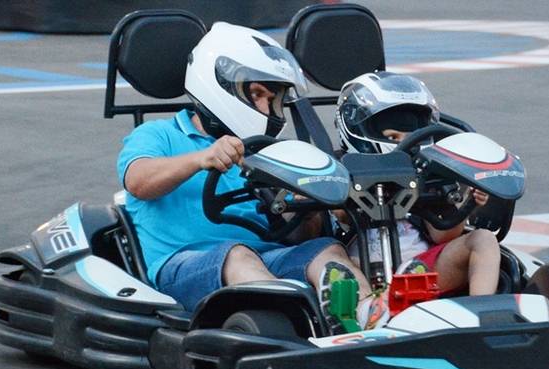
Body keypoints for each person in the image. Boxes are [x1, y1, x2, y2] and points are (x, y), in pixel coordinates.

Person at [117, 23, 386, 330]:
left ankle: (371, 318)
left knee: (327, 250)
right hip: (184, 266)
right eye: (258, 95)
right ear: (222, 86)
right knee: (237, 255)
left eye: (273, 100)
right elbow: (137, 181)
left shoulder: (272, 153)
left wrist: (301, 206)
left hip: (266, 260)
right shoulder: (159, 135)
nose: (267, 109)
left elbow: (301, 236)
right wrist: (201, 158)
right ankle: (294, 325)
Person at [335, 71, 501, 296]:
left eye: (412, 136)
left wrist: (468, 204)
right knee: (336, 263)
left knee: (484, 239)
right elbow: (327, 223)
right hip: (362, 272)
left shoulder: (428, 173)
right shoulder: (337, 169)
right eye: (394, 137)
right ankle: (372, 309)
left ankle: (484, 313)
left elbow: (443, 236)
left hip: (423, 271)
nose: (406, 144)